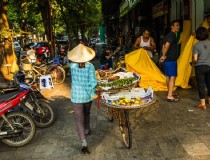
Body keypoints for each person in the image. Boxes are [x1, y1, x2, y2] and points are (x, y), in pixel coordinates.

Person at [67, 43, 98, 154]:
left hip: (76, 96)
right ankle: (87, 129)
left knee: (79, 119)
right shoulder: (90, 66)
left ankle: (84, 143)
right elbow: (93, 82)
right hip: (87, 96)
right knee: (87, 113)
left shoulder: (72, 66)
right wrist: (90, 91)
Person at [159, 20, 180, 102]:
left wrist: (163, 55)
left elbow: (163, 46)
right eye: (176, 25)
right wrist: (163, 56)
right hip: (170, 59)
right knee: (172, 77)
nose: (178, 27)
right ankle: (170, 95)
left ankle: (170, 92)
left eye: (178, 25)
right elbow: (166, 46)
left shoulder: (169, 35)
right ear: (172, 26)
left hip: (168, 59)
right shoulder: (172, 35)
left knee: (168, 76)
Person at [192, 27, 210, 110]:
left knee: (201, 85)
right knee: (209, 83)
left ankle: (203, 104)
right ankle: (209, 99)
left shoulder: (196, 45)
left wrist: (193, 63)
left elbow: (195, 59)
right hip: (209, 66)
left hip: (200, 67)